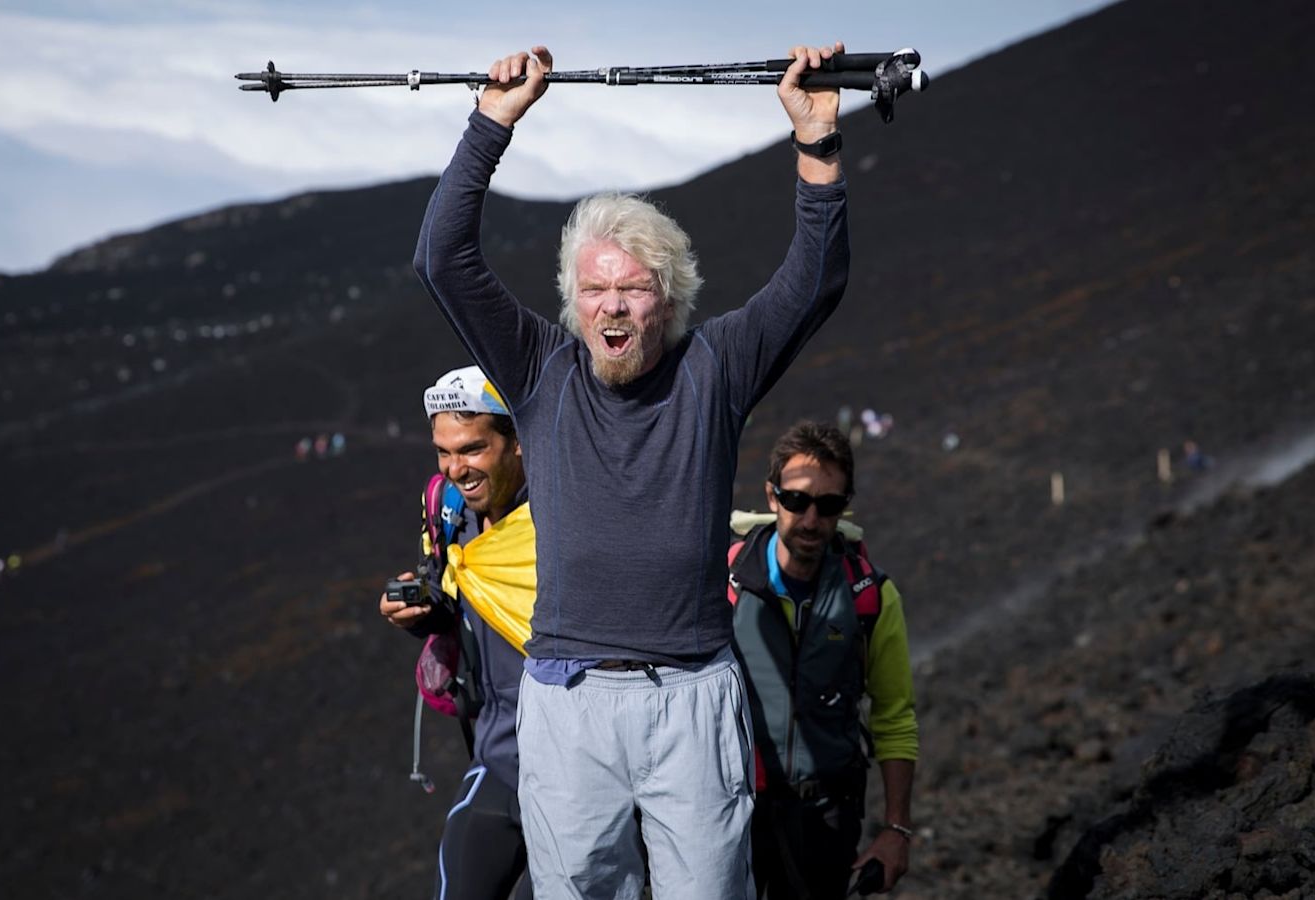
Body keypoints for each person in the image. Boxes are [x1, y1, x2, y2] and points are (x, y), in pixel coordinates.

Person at [414, 41, 851, 900]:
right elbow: (442, 261)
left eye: (635, 288)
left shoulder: (714, 367)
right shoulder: (539, 368)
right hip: (566, 702)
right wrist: (491, 124)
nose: (612, 305)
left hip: (692, 696)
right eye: (594, 290)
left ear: (671, 296)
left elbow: (814, 283)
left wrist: (818, 145)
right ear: (573, 304)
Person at [728, 422, 918, 898]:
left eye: (828, 505)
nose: (810, 519)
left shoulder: (872, 598)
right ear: (772, 497)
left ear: (845, 505)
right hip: (731, 813)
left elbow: (895, 716)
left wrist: (896, 829)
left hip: (826, 821)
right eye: (796, 501)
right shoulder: (723, 586)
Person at [380, 365, 534, 900]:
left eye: (471, 448)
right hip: (496, 755)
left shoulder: (564, 517)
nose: (455, 469)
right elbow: (460, 604)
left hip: (581, 771)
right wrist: (422, 614)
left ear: (516, 441)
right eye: (443, 452)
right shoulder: (452, 513)